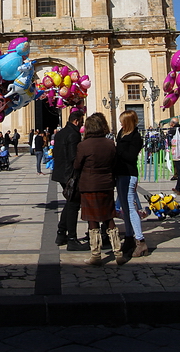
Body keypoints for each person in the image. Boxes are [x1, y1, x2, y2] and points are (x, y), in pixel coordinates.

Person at [73, 112, 122, 265]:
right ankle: (118, 252)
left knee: (92, 220)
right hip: (106, 184)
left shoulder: (83, 145)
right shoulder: (110, 144)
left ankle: (96, 254)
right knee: (109, 218)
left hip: (89, 186)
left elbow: (77, 165)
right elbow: (115, 164)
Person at [51, 110, 90, 251]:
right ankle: (72, 239)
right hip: (70, 175)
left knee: (69, 202)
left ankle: (61, 233)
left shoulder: (60, 133)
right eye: (81, 121)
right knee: (73, 205)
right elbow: (74, 158)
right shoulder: (73, 135)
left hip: (60, 174)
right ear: (76, 121)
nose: (82, 124)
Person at [114, 110, 147, 259]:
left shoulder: (136, 137)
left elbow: (131, 156)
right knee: (125, 209)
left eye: (122, 121)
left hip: (129, 174)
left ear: (128, 122)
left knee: (131, 208)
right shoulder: (121, 133)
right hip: (120, 173)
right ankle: (128, 237)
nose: (120, 123)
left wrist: (117, 151)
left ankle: (140, 240)